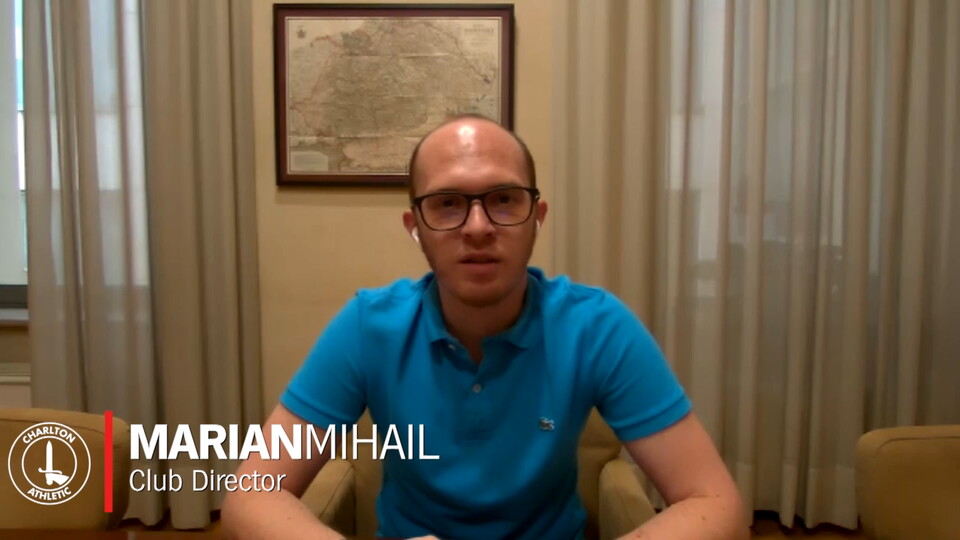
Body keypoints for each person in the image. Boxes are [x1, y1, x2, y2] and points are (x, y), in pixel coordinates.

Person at [221, 115, 747, 539]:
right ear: (416, 228)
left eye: (503, 200)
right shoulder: (368, 326)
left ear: (536, 216)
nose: (478, 228)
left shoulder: (597, 326)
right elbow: (250, 497)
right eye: (448, 204)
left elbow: (716, 504)